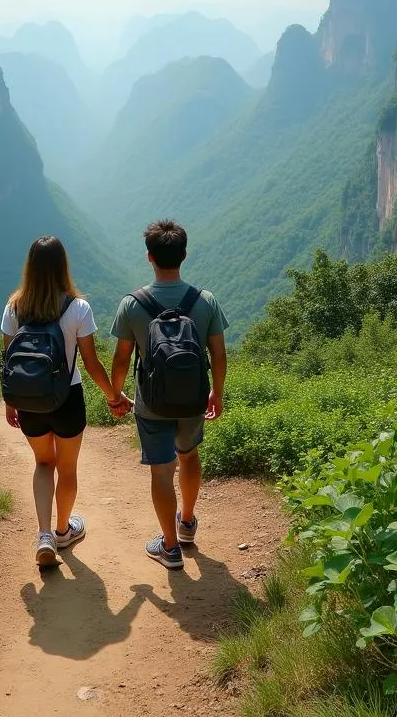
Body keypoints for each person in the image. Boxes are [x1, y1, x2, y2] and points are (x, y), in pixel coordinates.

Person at [2, 236, 132, 568]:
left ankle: (44, 535)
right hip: (67, 399)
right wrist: (114, 397)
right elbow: (90, 363)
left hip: (30, 400)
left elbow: (8, 360)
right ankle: (62, 530)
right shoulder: (78, 308)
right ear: (63, 266)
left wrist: (10, 402)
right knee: (67, 468)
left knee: (43, 464)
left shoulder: (14, 307)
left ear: (29, 266)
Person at [110, 220, 228, 570]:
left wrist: (115, 394)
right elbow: (219, 354)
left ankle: (170, 548)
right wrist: (216, 393)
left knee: (162, 473)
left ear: (149, 257)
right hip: (193, 401)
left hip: (151, 404)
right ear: (184, 255)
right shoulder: (205, 301)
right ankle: (187, 523)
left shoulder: (132, 305)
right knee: (189, 458)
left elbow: (120, 359)